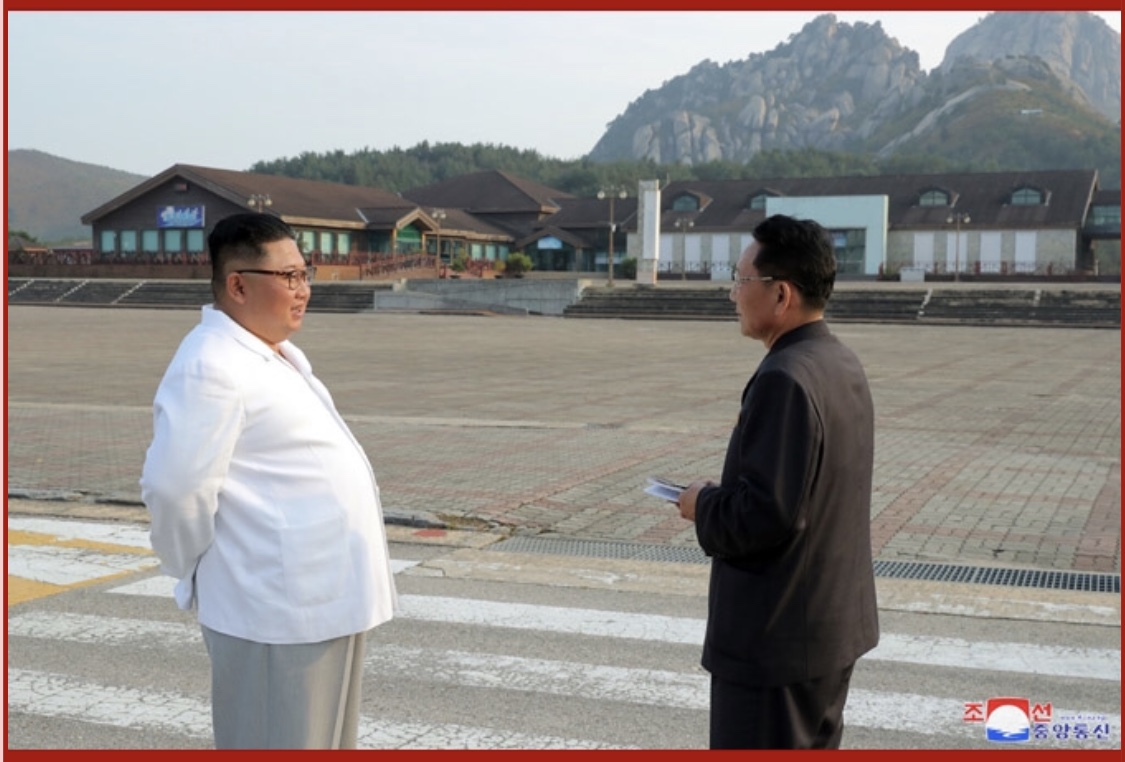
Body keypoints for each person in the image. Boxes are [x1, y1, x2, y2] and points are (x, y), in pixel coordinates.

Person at [140, 212, 398, 749]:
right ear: (238, 285)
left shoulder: (270, 353)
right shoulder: (210, 365)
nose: (303, 290)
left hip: (324, 601)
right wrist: (192, 568)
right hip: (273, 611)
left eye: (305, 274)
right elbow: (176, 490)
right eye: (288, 277)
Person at [676, 214, 879, 750]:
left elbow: (766, 515)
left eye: (741, 280)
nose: (733, 295)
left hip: (776, 642)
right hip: (827, 626)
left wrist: (702, 503)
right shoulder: (839, 361)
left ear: (781, 294)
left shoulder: (784, 378)